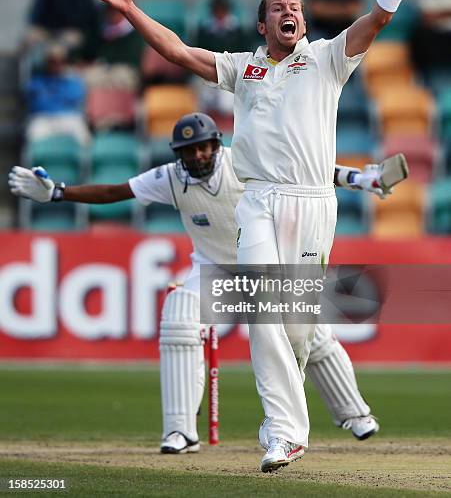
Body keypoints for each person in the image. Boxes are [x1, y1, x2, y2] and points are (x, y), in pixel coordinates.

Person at [86, 0, 435, 471]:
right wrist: (131, 11)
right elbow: (177, 52)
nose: (290, 12)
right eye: (279, 8)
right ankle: (286, 432)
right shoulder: (239, 67)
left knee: (294, 329)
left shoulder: (327, 58)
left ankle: (303, 417)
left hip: (313, 204)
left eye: (295, 6)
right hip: (258, 201)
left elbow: (376, 19)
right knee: (261, 312)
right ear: (262, 25)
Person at [9, 112, 402, 454]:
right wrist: (58, 192)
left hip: (266, 269)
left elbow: (311, 172)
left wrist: (359, 178)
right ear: (178, 154)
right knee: (179, 313)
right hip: (213, 272)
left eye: (203, 148)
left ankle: (354, 415)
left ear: (217, 145)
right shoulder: (171, 177)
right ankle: (180, 430)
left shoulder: (245, 161)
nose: (197, 156)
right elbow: (117, 191)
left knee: (312, 337)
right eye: (188, 151)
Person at [410, 0, 451, 85]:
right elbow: (426, 19)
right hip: (435, 38)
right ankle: (422, 75)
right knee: (419, 34)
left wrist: (437, 14)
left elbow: (430, 16)